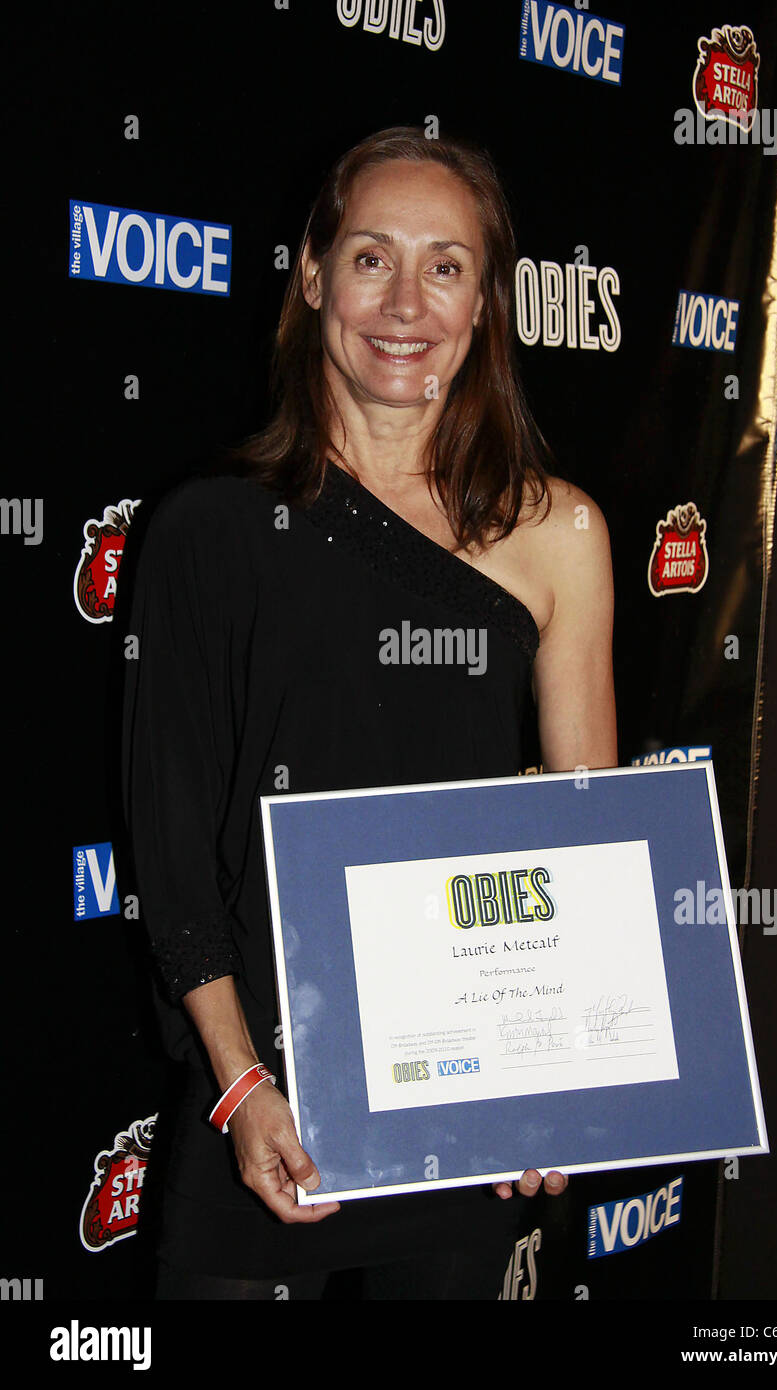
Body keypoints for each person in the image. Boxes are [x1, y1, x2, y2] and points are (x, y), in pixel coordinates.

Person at [121, 125, 616, 1300]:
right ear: (310, 274)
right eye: (370, 258)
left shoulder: (558, 534)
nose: (405, 303)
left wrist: (565, 1082)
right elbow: (175, 842)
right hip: (260, 1095)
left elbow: (588, 844)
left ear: (488, 301)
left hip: (466, 1097)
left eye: (445, 266)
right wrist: (240, 1086)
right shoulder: (208, 529)